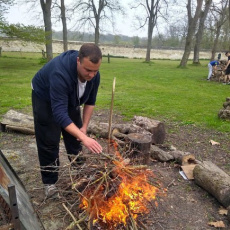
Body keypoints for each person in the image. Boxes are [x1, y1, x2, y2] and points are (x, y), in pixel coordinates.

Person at [31, 43, 103, 197]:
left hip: (69, 96)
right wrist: (85, 137)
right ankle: (49, 183)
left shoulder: (94, 76)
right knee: (49, 140)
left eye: (95, 71)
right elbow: (59, 114)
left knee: (76, 135)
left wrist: (83, 128)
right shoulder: (60, 73)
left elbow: (90, 101)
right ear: (78, 61)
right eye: (88, 70)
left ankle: (80, 170)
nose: (91, 75)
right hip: (44, 97)